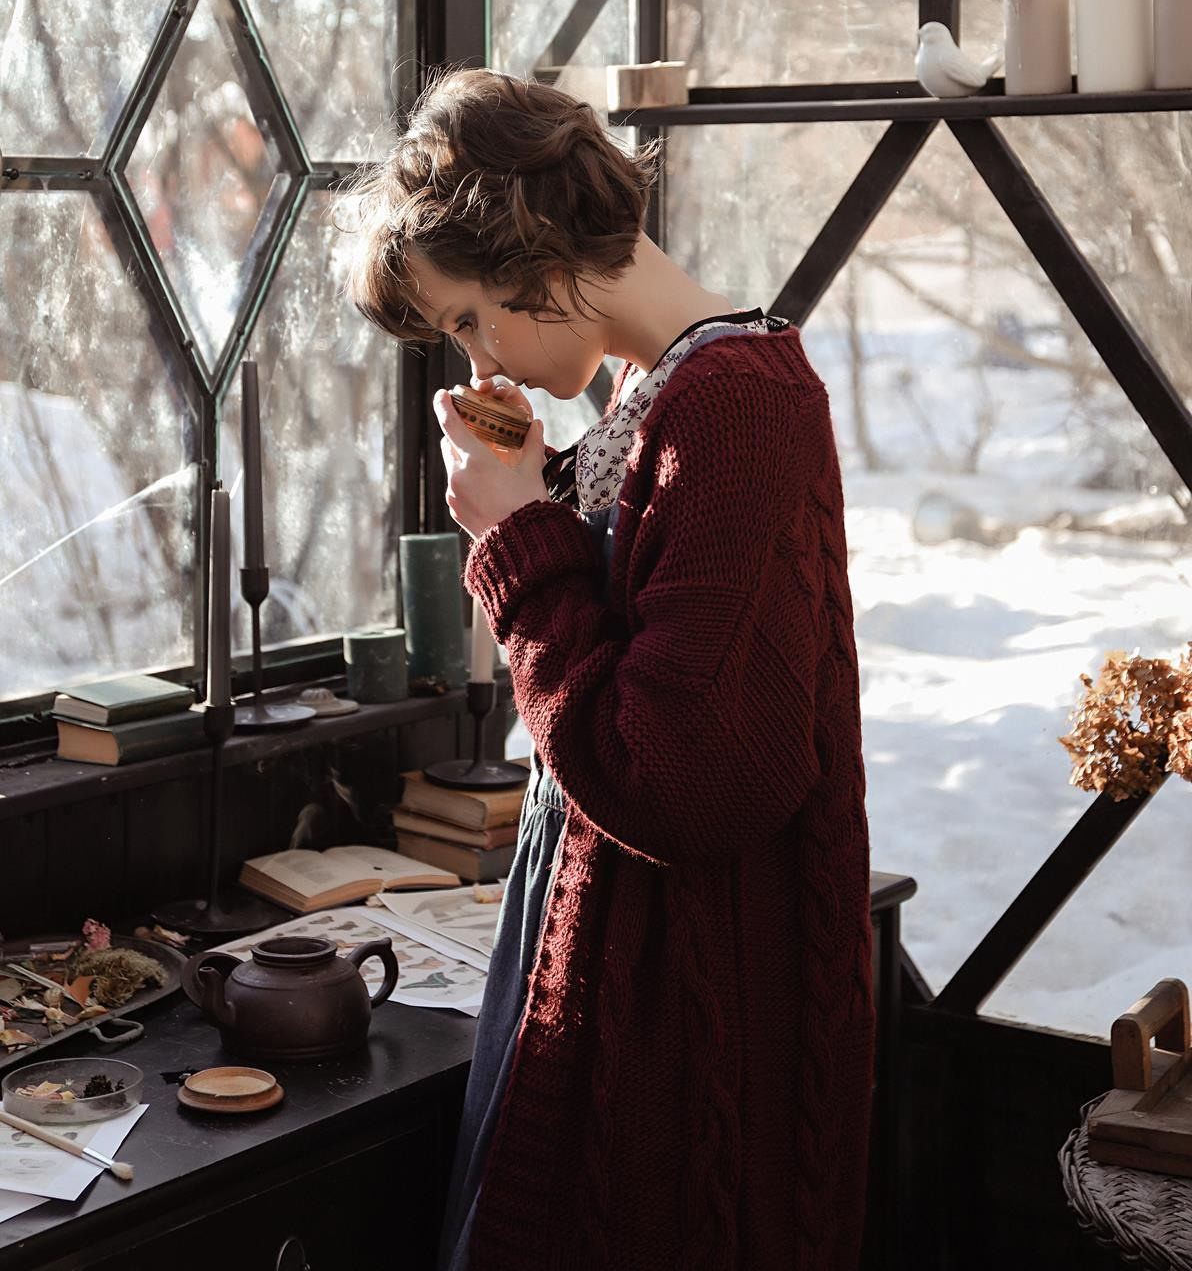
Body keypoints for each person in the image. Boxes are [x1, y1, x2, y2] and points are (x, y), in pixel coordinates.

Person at [347, 68, 874, 1271]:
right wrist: (541, 488)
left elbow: (681, 776)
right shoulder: (668, 388)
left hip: (686, 1032)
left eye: (472, 317)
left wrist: (516, 536)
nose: (480, 355)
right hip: (636, 979)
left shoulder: (735, 409)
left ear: (535, 259)